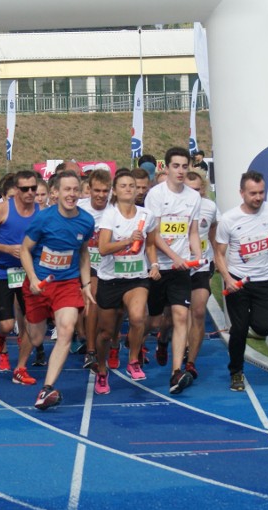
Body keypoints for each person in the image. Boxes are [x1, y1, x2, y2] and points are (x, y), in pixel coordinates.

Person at [20, 170, 95, 410]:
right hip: (39, 285)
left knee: (66, 328)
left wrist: (86, 284)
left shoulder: (86, 221)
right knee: (36, 337)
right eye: (67, 190)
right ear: (56, 193)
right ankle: (26, 363)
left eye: (75, 189)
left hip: (67, 283)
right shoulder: (43, 219)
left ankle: (47, 388)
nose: (71, 194)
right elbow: (24, 250)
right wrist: (32, 279)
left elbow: (82, 251)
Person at [215, 171, 268, 391]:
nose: (258, 197)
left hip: (263, 280)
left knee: (264, 327)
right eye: (253, 193)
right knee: (239, 330)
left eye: (261, 193)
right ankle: (236, 372)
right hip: (237, 282)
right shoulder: (229, 219)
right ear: (242, 193)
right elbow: (219, 253)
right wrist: (227, 278)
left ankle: (244, 324)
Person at [145, 147, 203, 394]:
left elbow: (192, 231)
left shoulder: (194, 197)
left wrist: (197, 254)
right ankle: (160, 338)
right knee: (155, 320)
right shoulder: (155, 195)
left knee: (181, 316)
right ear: (166, 168)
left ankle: (176, 371)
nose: (180, 171)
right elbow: (154, 235)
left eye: (184, 166)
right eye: (176, 166)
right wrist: (174, 256)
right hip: (158, 266)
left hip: (180, 270)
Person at [93, 171, 157, 392]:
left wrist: (155, 265)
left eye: (132, 185)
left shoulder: (147, 215)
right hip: (110, 279)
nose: (129, 189)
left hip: (136, 277)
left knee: (139, 317)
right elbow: (102, 249)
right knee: (105, 333)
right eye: (124, 185)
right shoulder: (109, 216)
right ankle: (101, 370)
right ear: (115, 191)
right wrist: (128, 241)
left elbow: (150, 244)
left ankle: (133, 361)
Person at [0, 170, 40, 384]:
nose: (30, 193)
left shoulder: (40, 212)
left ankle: (21, 368)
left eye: (33, 188)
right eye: (25, 189)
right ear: (16, 190)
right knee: (7, 325)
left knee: (30, 324)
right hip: (2, 270)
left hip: (29, 274)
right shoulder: (2, 209)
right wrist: (7, 249)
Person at [183, 170, 219, 380]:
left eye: (197, 190)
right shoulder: (177, 207)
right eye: (189, 190)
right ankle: (170, 341)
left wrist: (217, 259)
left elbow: (214, 232)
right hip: (179, 267)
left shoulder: (210, 207)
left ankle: (190, 361)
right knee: (179, 313)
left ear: (203, 189)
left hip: (202, 266)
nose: (193, 195)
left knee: (197, 311)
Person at [77, 168, 112, 370]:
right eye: (97, 190)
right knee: (90, 303)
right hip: (84, 262)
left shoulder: (115, 209)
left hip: (109, 264)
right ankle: (90, 350)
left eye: (105, 191)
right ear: (89, 189)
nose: (100, 195)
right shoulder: (80, 209)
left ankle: (108, 344)